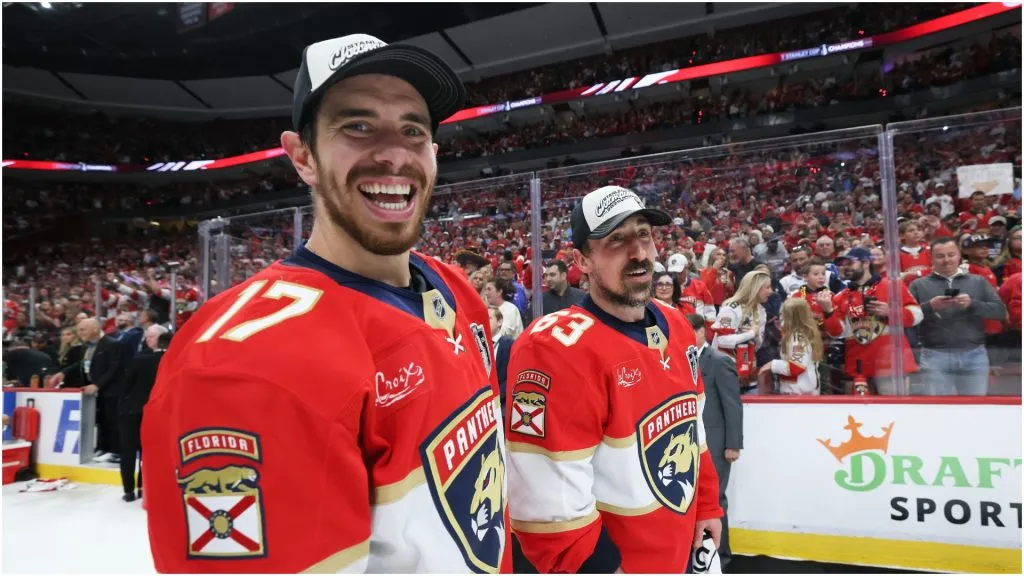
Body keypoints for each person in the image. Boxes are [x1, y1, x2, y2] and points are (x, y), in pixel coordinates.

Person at [142, 34, 512, 573]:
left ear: (433, 153)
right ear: (303, 156)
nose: (393, 152)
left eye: (413, 129)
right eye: (357, 127)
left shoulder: (452, 287)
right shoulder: (240, 366)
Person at [506, 185, 722, 574]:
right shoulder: (555, 350)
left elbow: (694, 432)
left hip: (684, 556)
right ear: (582, 260)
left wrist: (706, 505)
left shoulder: (676, 324)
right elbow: (549, 513)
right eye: (616, 240)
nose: (638, 252)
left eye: (644, 234)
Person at [908, 238, 1007, 396]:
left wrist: (972, 304)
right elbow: (906, 318)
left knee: (975, 409)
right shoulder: (918, 285)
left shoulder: (978, 282)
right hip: (935, 356)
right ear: (931, 258)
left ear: (959, 255)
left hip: (974, 355)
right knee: (937, 410)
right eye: (940, 256)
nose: (946, 260)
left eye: (951, 254)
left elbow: (999, 311)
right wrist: (930, 307)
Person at [825, 248, 922, 395]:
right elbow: (836, 332)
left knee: (893, 413)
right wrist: (828, 312)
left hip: (890, 365)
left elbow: (918, 315)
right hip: (858, 368)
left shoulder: (892, 286)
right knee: (862, 415)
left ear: (865, 263)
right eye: (843, 264)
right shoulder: (840, 296)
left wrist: (891, 312)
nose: (846, 267)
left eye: (850, 263)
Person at [686, 313, 742, 570]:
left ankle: (723, 558)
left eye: (691, 330)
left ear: (702, 332)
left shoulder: (719, 361)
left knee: (715, 501)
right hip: (692, 444)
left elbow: (732, 405)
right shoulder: (681, 360)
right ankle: (700, 557)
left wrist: (733, 444)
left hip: (717, 444)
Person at [118, 325, 169, 502]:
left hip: (133, 410)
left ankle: (129, 490)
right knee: (148, 452)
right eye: (147, 336)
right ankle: (143, 487)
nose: (148, 339)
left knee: (129, 452)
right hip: (156, 411)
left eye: (152, 336)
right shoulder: (172, 361)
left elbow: (126, 387)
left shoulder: (139, 360)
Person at [710, 270, 771, 390]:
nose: (770, 291)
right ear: (755, 288)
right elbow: (722, 341)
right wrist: (751, 333)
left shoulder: (761, 311)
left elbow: (758, 345)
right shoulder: (731, 308)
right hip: (725, 371)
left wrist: (756, 335)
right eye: (767, 287)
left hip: (749, 372)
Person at [761, 298, 824, 395]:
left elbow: (796, 367)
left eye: (782, 314)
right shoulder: (798, 335)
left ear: (792, 317)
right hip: (799, 393)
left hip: (800, 395)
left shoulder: (798, 338)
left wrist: (772, 365)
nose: (780, 318)